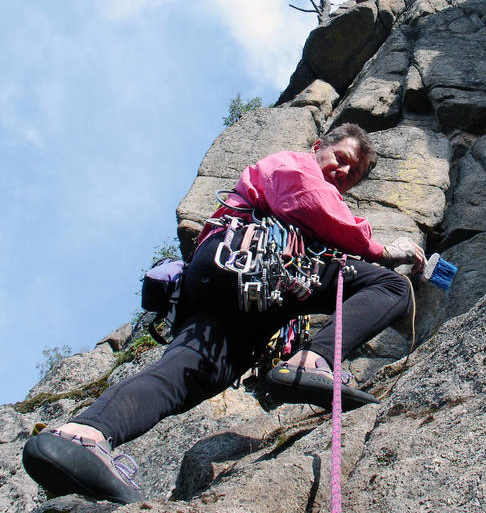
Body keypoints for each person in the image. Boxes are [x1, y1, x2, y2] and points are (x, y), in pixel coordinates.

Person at [22, 123, 425, 504]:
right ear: (317, 146)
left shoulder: (310, 188)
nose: (343, 171)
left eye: (352, 174)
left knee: (183, 375)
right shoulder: (293, 164)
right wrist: (380, 250)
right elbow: (310, 200)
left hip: (234, 292)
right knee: (390, 286)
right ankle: (314, 361)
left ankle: (83, 434)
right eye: (340, 158)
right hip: (248, 260)